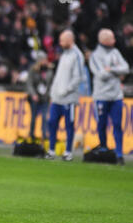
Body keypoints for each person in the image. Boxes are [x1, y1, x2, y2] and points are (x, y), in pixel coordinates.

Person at [89, 28, 129, 165]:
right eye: (112, 38)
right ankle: (104, 149)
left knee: (118, 124)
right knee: (101, 124)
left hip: (116, 96)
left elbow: (126, 68)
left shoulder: (115, 52)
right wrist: (117, 71)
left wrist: (111, 69)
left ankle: (119, 154)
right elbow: (101, 75)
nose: (115, 40)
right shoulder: (95, 56)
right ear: (104, 40)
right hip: (101, 96)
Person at [45, 30, 85, 161]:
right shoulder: (64, 55)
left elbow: (78, 77)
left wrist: (66, 90)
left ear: (70, 40)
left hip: (69, 99)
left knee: (69, 125)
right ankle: (51, 150)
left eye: (62, 40)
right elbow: (58, 76)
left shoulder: (77, 55)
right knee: (52, 123)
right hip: (57, 98)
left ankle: (68, 152)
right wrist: (53, 92)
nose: (60, 43)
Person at [26, 51, 53, 141]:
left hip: (45, 97)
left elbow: (51, 84)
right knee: (33, 117)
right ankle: (31, 134)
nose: (45, 61)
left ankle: (44, 134)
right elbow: (29, 83)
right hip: (35, 97)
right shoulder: (33, 70)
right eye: (44, 59)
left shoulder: (49, 70)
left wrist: (49, 95)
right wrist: (33, 94)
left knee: (45, 117)